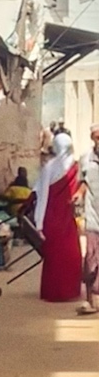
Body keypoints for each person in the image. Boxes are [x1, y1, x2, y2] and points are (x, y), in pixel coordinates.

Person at [34, 130, 82, 304]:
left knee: (54, 256)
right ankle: (70, 291)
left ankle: (53, 292)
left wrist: (39, 222)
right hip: (68, 217)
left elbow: (42, 195)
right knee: (71, 253)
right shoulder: (77, 167)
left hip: (51, 217)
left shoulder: (49, 167)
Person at [78, 125, 99, 314]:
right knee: (90, 259)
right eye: (97, 137)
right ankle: (89, 301)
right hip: (93, 217)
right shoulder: (85, 159)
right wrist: (78, 194)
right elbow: (82, 182)